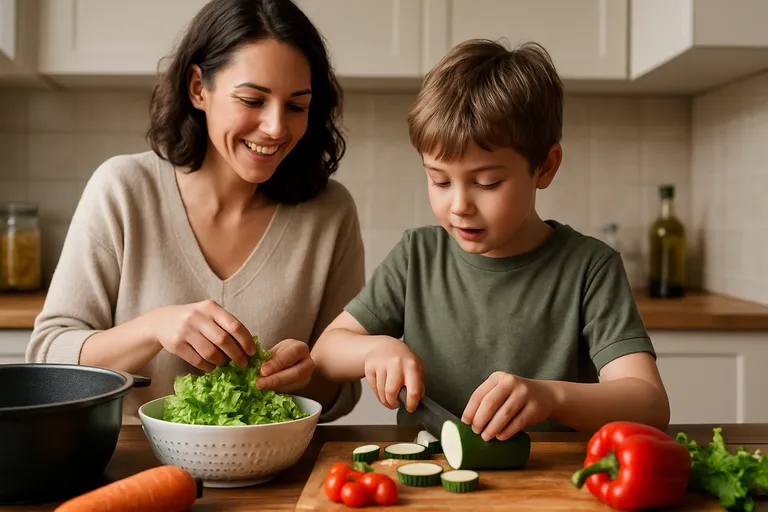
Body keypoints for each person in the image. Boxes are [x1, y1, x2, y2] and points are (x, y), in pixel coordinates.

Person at [311, 39, 671, 440]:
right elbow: (325, 353)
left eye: (488, 182)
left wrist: (550, 397)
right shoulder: (417, 256)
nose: (459, 205)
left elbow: (650, 404)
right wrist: (374, 350)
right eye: (439, 180)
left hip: (548, 485)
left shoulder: (590, 268)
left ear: (546, 168)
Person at [27, 0, 364, 425]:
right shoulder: (123, 190)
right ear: (198, 88)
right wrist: (154, 328)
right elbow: (48, 352)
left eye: (296, 106)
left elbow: (343, 391)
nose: (277, 127)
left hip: (273, 470)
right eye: (252, 99)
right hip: (131, 468)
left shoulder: (330, 213)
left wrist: (308, 373)